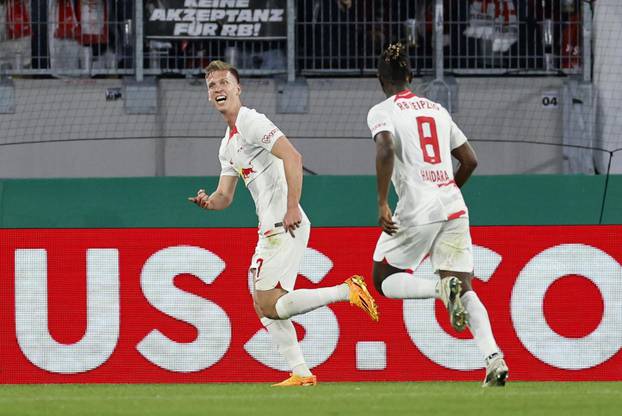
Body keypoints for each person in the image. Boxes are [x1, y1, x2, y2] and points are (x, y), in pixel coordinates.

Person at [189, 60, 379, 387]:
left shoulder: (251, 121)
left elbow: (293, 157)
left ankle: (347, 290)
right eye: (212, 86)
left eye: (223, 83)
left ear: (238, 88)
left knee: (268, 303)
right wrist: (209, 202)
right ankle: (301, 372)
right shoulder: (228, 144)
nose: (218, 89)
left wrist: (291, 206)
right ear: (208, 97)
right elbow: (225, 196)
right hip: (270, 225)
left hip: (283, 221)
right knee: (264, 305)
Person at [366, 43, 508, 387]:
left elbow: (385, 147)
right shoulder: (437, 109)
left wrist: (383, 201)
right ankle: (494, 360)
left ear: (380, 80)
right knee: (467, 287)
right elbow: (470, 160)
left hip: (417, 205)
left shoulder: (381, 111)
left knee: (383, 279)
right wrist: (449, 189)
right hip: (453, 205)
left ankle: (439, 290)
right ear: (410, 77)